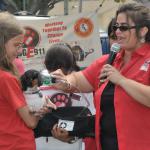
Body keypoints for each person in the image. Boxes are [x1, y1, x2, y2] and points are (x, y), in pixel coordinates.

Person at [50, 3, 150, 150]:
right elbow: (78, 79)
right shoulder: (108, 61)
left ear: (143, 31)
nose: (117, 32)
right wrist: (66, 81)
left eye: (123, 28)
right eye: (116, 27)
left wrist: (122, 80)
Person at [0, 12, 56, 150]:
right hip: (16, 143)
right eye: (16, 45)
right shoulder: (6, 79)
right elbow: (31, 122)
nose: (19, 51)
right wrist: (43, 110)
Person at [35, 43, 96, 150]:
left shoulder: (36, 84)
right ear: (71, 63)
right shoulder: (84, 86)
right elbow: (88, 121)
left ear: (44, 63)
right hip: (74, 145)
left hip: (43, 144)